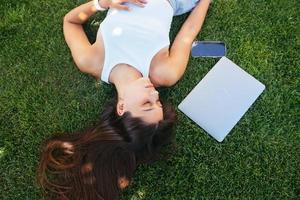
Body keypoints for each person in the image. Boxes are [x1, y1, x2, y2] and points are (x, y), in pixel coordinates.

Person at [37, 0, 211, 199]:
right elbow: (188, 33)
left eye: (147, 104)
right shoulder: (164, 72)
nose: (155, 94)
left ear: (121, 107)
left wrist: (102, 3)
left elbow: (70, 21)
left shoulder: (92, 61)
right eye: (158, 103)